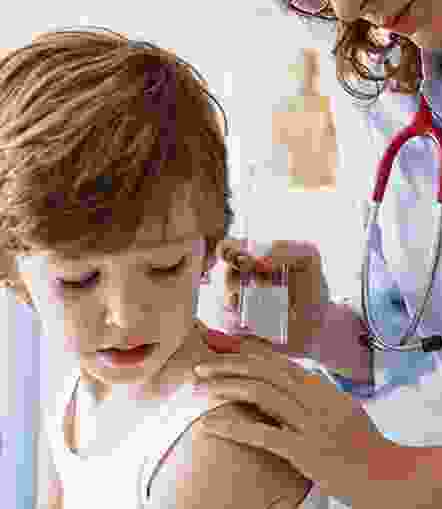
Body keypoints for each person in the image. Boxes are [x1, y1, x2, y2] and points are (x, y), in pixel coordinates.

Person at [0, 27, 317, 508]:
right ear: (14, 278)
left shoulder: (218, 443)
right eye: (78, 280)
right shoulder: (77, 389)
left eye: (165, 268)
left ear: (208, 251)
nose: (127, 316)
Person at [192, 1, 442, 508]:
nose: (348, 8)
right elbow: (423, 334)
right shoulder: (400, 88)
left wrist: (400, 475)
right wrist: (323, 332)